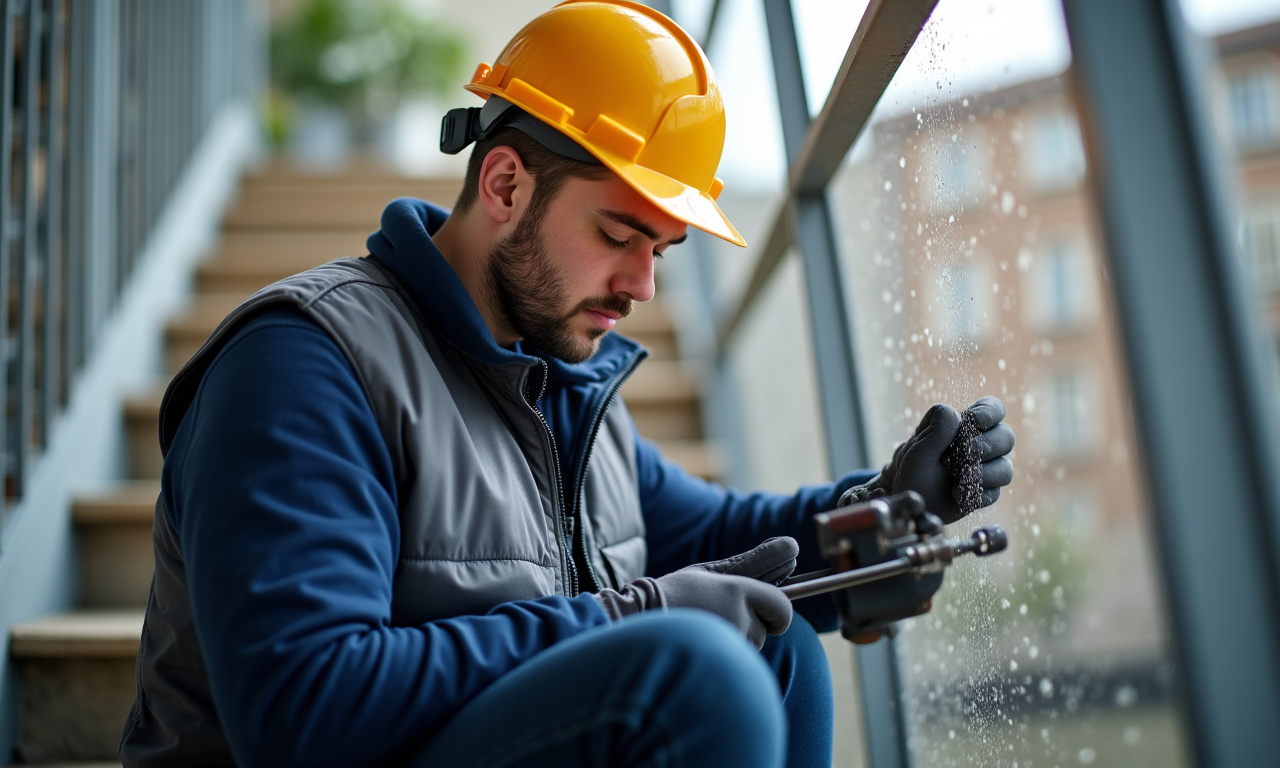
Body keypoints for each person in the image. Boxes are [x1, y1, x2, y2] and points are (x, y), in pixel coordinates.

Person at [119, 2, 1015, 767]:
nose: (643, 287)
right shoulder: (303, 363)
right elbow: (301, 711)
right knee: (693, 671)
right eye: (620, 235)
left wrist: (882, 514)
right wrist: (640, 609)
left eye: (661, 252)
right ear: (505, 183)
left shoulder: (554, 380)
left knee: (781, 654)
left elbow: (704, 539)